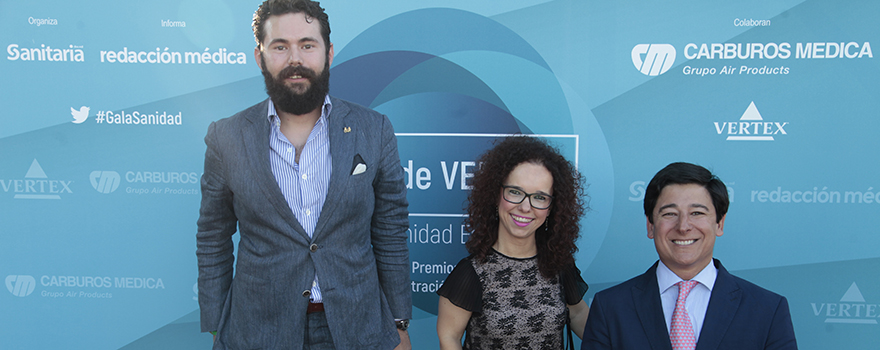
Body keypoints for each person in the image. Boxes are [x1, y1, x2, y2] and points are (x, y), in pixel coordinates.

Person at [196, 1, 411, 349]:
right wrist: (219, 324)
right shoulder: (227, 136)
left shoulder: (373, 129)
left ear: (328, 53)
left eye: (307, 45)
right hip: (259, 330)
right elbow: (212, 236)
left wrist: (399, 322)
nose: (294, 59)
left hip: (357, 327)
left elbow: (390, 231)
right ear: (260, 56)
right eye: (280, 46)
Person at [581, 162, 797, 350]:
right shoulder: (610, 307)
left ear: (719, 223)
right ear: (650, 226)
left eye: (697, 213)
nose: (683, 226)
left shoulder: (767, 309)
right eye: (670, 214)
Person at [436, 136, 590, 350]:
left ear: (552, 207)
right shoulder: (471, 273)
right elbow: (449, 337)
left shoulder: (559, 266)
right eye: (515, 192)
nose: (526, 207)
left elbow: (580, 314)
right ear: (496, 194)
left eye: (540, 197)